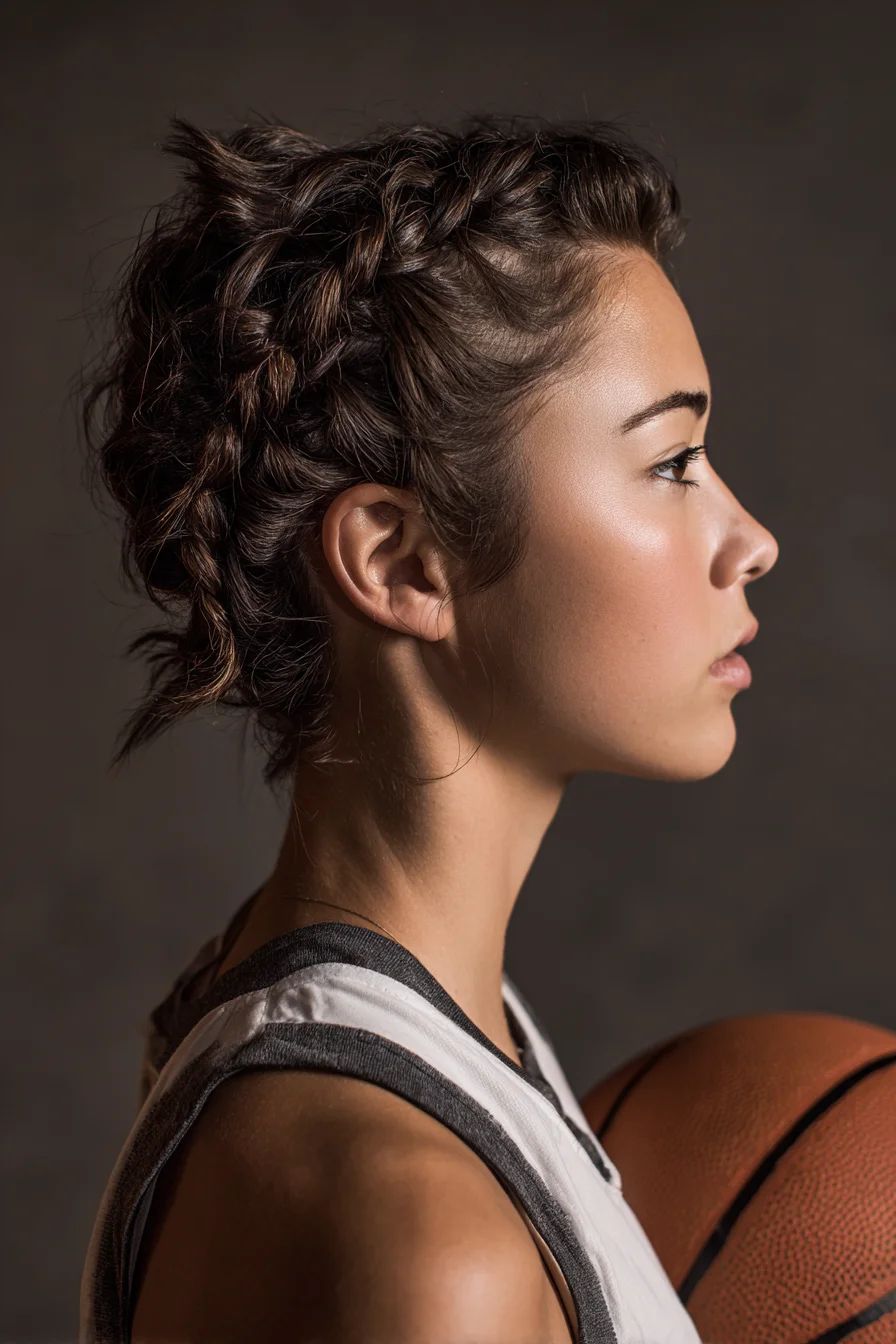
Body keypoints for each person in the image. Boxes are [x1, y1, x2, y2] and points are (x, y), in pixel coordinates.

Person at [79, 113, 778, 1344]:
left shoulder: (337, 1026)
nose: (750, 541)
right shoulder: (425, 1241)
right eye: (672, 463)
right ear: (402, 563)